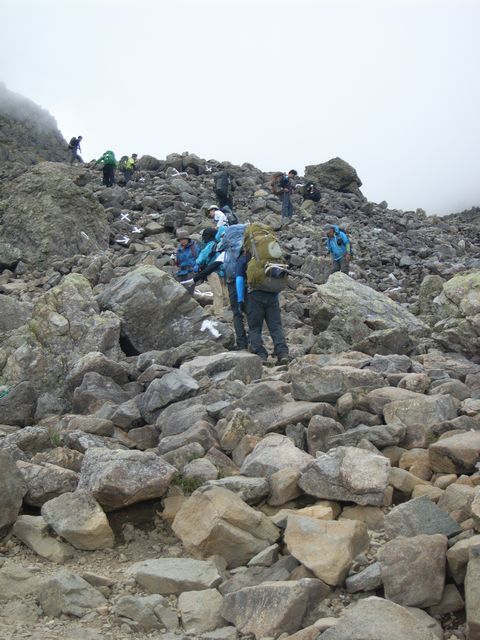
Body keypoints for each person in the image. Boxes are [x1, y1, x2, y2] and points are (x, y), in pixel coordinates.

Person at [236, 251, 290, 365]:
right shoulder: (270, 255)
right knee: (275, 326)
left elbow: (239, 279)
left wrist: (240, 300)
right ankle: (282, 353)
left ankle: (261, 354)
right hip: (272, 295)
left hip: (254, 295)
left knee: (255, 327)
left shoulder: (245, 257)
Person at [194, 227, 228, 319]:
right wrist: (198, 263)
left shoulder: (217, 245)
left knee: (223, 295)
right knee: (220, 293)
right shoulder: (214, 245)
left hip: (219, 272)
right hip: (213, 272)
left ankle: (212, 310)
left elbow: (202, 257)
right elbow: (202, 256)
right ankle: (219, 315)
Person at [175, 229, 200, 295]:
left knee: (189, 292)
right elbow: (178, 261)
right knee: (180, 292)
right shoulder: (179, 249)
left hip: (191, 271)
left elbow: (199, 258)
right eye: (180, 240)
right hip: (181, 272)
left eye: (184, 239)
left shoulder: (194, 247)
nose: (182, 241)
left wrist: (196, 267)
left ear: (187, 239)